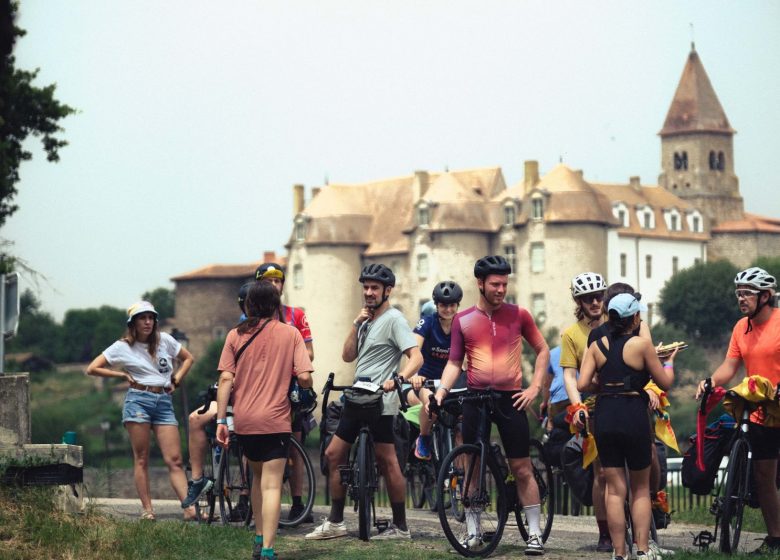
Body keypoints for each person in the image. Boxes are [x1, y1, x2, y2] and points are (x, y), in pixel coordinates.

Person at [434, 255, 550, 556]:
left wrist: (535, 387)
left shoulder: (519, 314)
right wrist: (442, 390)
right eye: (495, 284)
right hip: (475, 397)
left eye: (505, 284)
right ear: (480, 284)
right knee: (472, 466)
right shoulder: (463, 320)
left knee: (522, 466)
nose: (501, 290)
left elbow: (542, 350)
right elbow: (455, 362)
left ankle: (535, 533)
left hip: (510, 397)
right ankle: (473, 533)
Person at [306, 263, 423, 541]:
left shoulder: (394, 319)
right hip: (358, 397)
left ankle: (400, 527)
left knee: (388, 461)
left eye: (375, 288)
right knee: (334, 454)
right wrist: (356, 323)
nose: (369, 292)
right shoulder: (366, 321)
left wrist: (398, 379)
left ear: (387, 291)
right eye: (366, 287)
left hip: (381, 401)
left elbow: (416, 358)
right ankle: (335, 522)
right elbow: (348, 356)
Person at [216, 281, 314, 560]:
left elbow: (225, 378)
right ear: (275, 304)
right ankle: (268, 550)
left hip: (245, 420)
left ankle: (259, 537)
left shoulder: (235, 335)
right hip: (275, 420)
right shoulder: (290, 334)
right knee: (271, 484)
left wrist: (222, 420)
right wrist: (303, 387)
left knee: (257, 479)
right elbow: (305, 376)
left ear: (248, 305)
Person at [578, 293, 675, 560]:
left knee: (614, 489)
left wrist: (606, 386)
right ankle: (642, 550)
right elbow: (664, 383)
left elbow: (582, 383)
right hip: (633, 414)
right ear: (634, 318)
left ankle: (619, 553)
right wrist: (669, 361)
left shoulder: (597, 345)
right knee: (640, 487)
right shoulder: (642, 345)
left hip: (606, 414)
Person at [695, 266, 780, 555]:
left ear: (766, 296)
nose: (741, 299)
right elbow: (730, 366)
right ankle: (774, 538)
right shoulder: (740, 327)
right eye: (738, 293)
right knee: (764, 475)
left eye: (747, 294)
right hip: (759, 409)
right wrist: (710, 381)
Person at [86, 301, 196, 521]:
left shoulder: (165, 340)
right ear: (133, 323)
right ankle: (147, 509)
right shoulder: (122, 346)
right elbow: (92, 368)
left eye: (151, 318)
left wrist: (176, 379)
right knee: (142, 458)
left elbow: (188, 358)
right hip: (138, 401)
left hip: (164, 401)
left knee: (174, 459)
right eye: (142, 318)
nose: (147, 322)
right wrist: (121, 375)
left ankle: (189, 508)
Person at [181, 281, 253, 514]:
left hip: (252, 399)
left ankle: (245, 491)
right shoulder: (237, 333)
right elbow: (227, 374)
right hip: (234, 396)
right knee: (195, 418)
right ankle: (198, 479)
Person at [255, 262, 315, 522]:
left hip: (290, 386)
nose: (274, 285)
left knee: (296, 443)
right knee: (253, 445)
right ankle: (249, 499)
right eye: (268, 281)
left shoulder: (296, 315)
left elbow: (310, 353)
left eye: (278, 281)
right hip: (262, 387)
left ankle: (299, 502)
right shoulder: (249, 319)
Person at [560, 272, 613, 551]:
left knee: (648, 456)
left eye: (599, 296)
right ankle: (604, 533)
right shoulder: (571, 334)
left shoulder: (619, 323)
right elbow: (570, 375)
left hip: (624, 399)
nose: (595, 302)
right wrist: (577, 405)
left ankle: (652, 512)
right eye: (588, 298)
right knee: (601, 472)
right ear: (578, 301)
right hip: (594, 404)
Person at [409, 280, 463, 461]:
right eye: (443, 305)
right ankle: (423, 437)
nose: (447, 309)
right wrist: (415, 375)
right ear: (436, 305)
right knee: (431, 403)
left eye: (452, 305)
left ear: (457, 305)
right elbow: (414, 349)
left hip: (451, 380)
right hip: (425, 378)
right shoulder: (427, 322)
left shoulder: (462, 324)